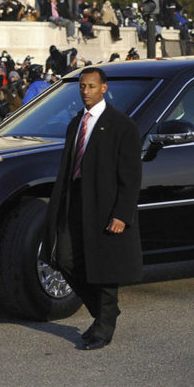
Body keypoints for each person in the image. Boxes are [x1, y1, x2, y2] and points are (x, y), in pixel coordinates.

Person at [40, 68, 142, 350]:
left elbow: (131, 176)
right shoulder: (76, 123)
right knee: (64, 257)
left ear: (104, 89)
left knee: (105, 267)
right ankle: (104, 311)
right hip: (75, 201)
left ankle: (104, 327)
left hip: (105, 206)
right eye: (82, 87)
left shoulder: (122, 125)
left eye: (91, 87)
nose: (85, 91)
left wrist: (122, 214)